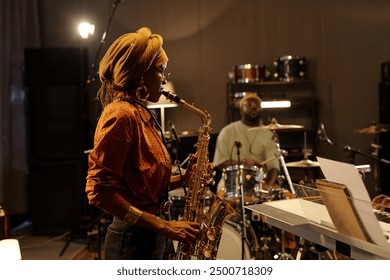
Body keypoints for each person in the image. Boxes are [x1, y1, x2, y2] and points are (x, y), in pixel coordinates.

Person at [85, 27, 201, 260]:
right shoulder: (121, 115)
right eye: (161, 71)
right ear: (141, 73)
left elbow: (140, 184)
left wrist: (184, 179)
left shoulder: (140, 113)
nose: (165, 79)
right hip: (133, 242)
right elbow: (99, 191)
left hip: (152, 233)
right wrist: (165, 226)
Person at [213, 93, 280, 201]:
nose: (253, 107)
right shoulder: (228, 131)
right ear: (240, 109)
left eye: (257, 105)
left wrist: (267, 186)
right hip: (230, 187)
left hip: (258, 186)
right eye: (248, 104)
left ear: (261, 109)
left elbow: (274, 167)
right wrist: (243, 163)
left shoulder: (269, 134)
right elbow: (220, 162)